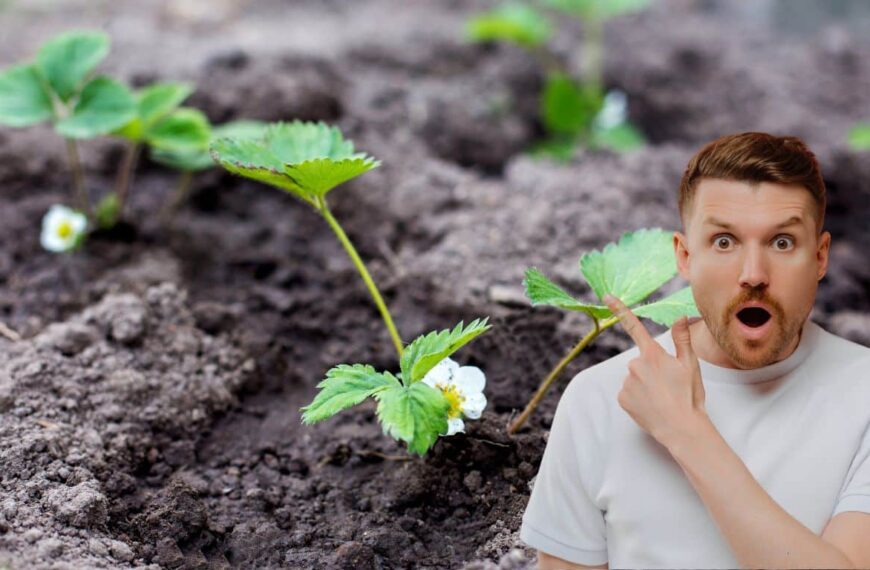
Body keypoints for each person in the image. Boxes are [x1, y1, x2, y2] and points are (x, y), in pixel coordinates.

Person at [519, 132, 870, 569]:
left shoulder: (863, 395)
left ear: (820, 258)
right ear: (685, 257)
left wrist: (687, 432)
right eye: (724, 241)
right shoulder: (599, 399)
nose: (753, 274)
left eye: (782, 243)